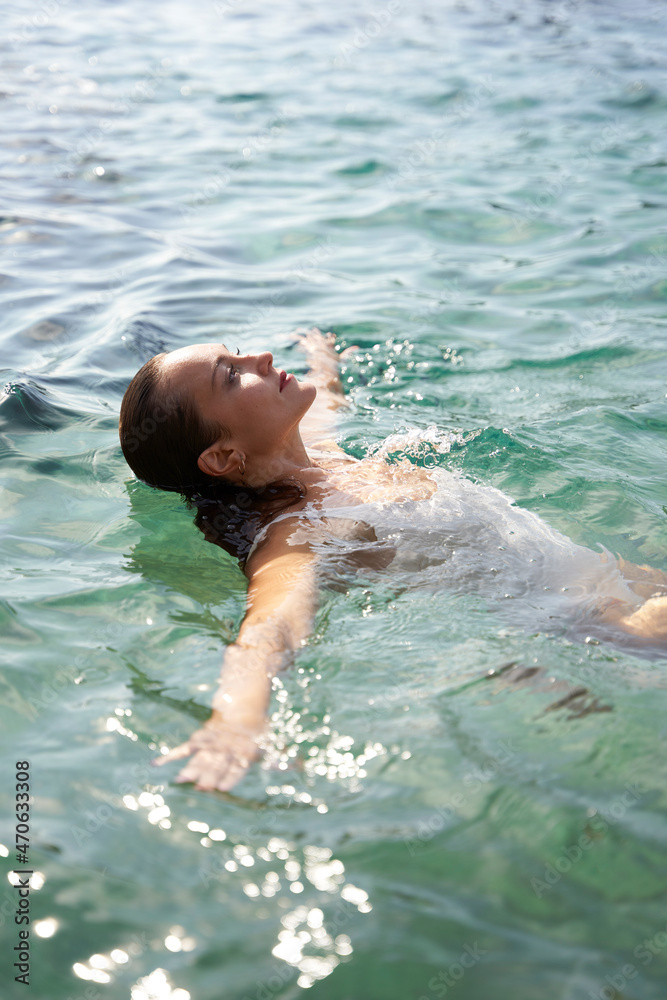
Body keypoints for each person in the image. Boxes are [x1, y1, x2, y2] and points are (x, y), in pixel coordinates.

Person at [119, 329, 667, 792]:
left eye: (238, 352)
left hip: (609, 584)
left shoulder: (318, 457)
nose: (259, 359)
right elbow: (273, 624)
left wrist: (323, 362)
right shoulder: (297, 532)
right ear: (222, 456)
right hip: (593, 632)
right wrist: (235, 718)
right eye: (233, 375)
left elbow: (326, 402)